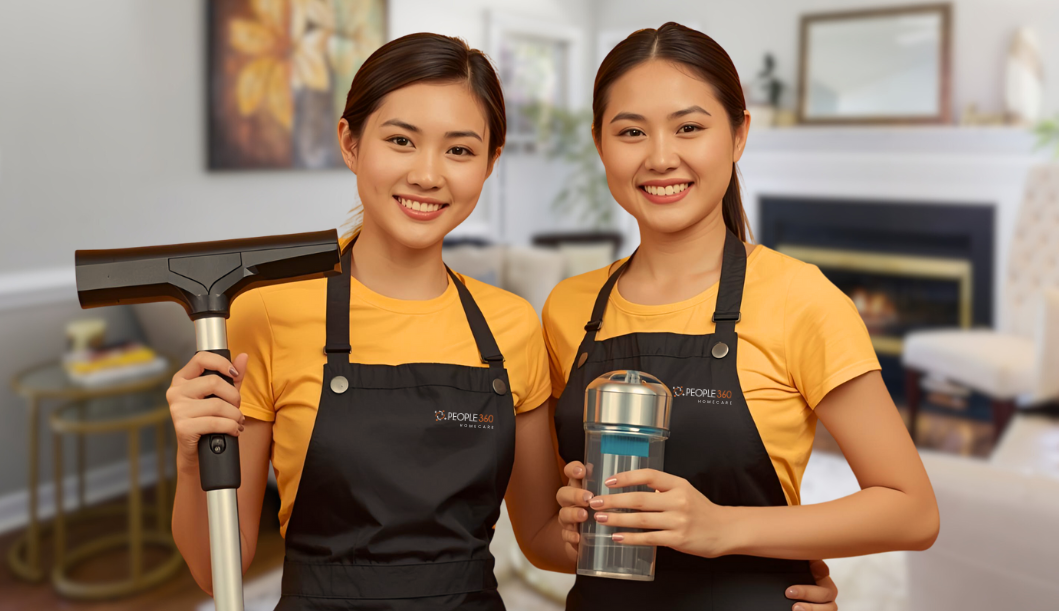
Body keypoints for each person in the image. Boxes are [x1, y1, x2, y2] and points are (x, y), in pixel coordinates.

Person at [545, 23, 939, 610]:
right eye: (630, 131)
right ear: (601, 144)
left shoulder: (798, 297)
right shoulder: (568, 309)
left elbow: (912, 510)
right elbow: (548, 543)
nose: (660, 157)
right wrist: (572, 524)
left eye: (689, 128)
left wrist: (723, 528)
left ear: (737, 135)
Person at [166, 33, 557, 610]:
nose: (428, 174)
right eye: (401, 140)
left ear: (490, 162)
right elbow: (214, 569)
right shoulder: (269, 313)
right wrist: (188, 454)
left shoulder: (512, 326)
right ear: (350, 143)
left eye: (460, 150)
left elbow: (546, 542)